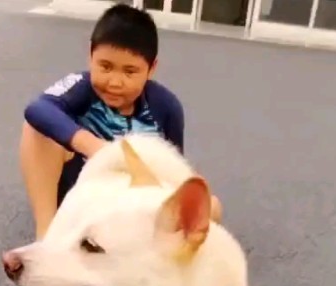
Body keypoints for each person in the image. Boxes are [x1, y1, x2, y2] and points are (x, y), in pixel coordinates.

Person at [18, 3, 221, 239]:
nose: (115, 82)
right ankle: (48, 234)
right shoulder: (81, 87)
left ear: (151, 68)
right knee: (37, 130)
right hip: (75, 200)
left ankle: (143, 250)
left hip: (129, 210)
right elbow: (37, 109)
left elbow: (172, 166)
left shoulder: (166, 107)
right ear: (90, 55)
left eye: (130, 72)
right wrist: (96, 147)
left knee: (212, 207)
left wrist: (189, 184)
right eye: (105, 66)